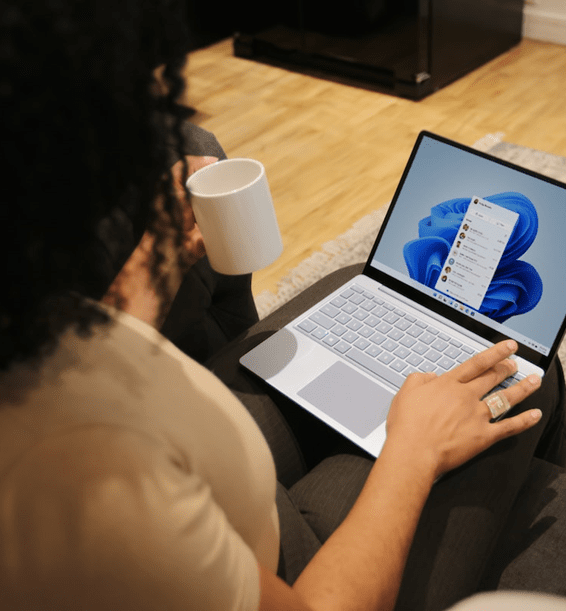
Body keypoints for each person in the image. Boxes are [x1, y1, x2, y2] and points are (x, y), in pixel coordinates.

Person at [1, 1, 565, 610]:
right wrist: (412, 450)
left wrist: (148, 270)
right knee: (527, 376)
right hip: (296, 566)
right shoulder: (86, 480)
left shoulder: (34, 342)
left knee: (358, 281)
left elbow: (77, 367)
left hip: (203, 466)